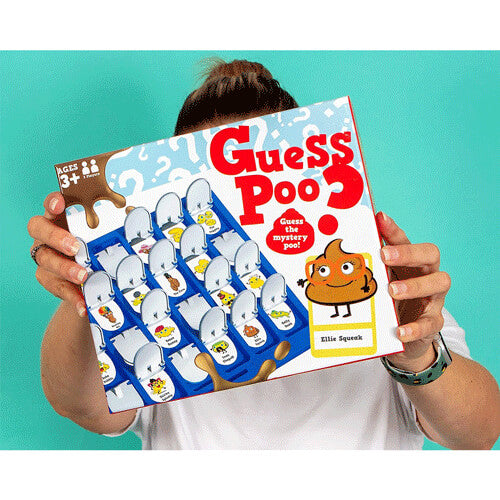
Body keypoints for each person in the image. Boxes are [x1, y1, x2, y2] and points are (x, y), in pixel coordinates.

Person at [27, 59, 500, 449]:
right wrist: (86, 283)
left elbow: (480, 433)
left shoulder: (381, 287)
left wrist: (416, 353)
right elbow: (80, 406)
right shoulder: (156, 293)